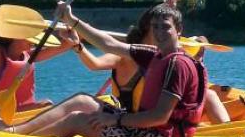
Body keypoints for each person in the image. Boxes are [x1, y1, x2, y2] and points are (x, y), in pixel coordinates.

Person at [0, 2, 206, 137]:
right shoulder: (154, 55)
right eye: (155, 27)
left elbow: (160, 117)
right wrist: (72, 20)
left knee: (78, 119)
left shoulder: (178, 65)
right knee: (81, 100)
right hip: (141, 128)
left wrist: (114, 120)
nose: (160, 32)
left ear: (179, 30)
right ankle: (14, 133)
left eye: (166, 27)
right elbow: (108, 44)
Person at [75, 23, 230, 124]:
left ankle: (226, 131)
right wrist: (78, 46)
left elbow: (180, 57)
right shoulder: (121, 57)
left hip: (150, 117)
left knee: (208, 95)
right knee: (209, 96)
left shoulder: (156, 58)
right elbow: (94, 64)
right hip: (132, 118)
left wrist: (170, 8)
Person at [0, 11, 77, 112]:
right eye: (29, 36)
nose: (34, 40)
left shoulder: (30, 56)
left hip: (22, 115)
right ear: (15, 36)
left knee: (50, 105)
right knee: (46, 104)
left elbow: (66, 45)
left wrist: (72, 30)